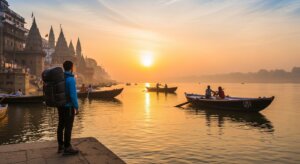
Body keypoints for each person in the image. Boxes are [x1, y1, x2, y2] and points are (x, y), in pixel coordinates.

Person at [57, 61, 79, 155]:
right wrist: (76, 107)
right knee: (68, 127)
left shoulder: (60, 78)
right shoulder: (71, 79)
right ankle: (67, 147)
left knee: (61, 125)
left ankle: (60, 146)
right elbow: (73, 95)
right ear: (71, 68)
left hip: (60, 105)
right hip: (68, 107)